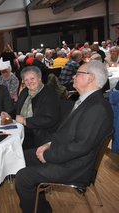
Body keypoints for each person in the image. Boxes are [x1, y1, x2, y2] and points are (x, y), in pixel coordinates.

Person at [15, 61, 113, 213]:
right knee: (21, 157)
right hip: (66, 154)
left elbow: (80, 147)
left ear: (91, 78)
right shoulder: (85, 101)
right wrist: (48, 144)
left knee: (23, 177)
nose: (74, 76)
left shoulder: (97, 108)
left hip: (75, 166)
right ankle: (40, 206)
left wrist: (48, 154)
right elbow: (66, 133)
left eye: (78, 73)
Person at [15, 66, 60, 150]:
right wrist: (8, 114)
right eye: (26, 80)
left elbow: (50, 119)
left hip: (39, 134)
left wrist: (25, 121)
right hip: (21, 130)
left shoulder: (50, 93)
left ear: (39, 78)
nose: (29, 82)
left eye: (32, 78)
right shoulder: (25, 92)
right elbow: (17, 109)